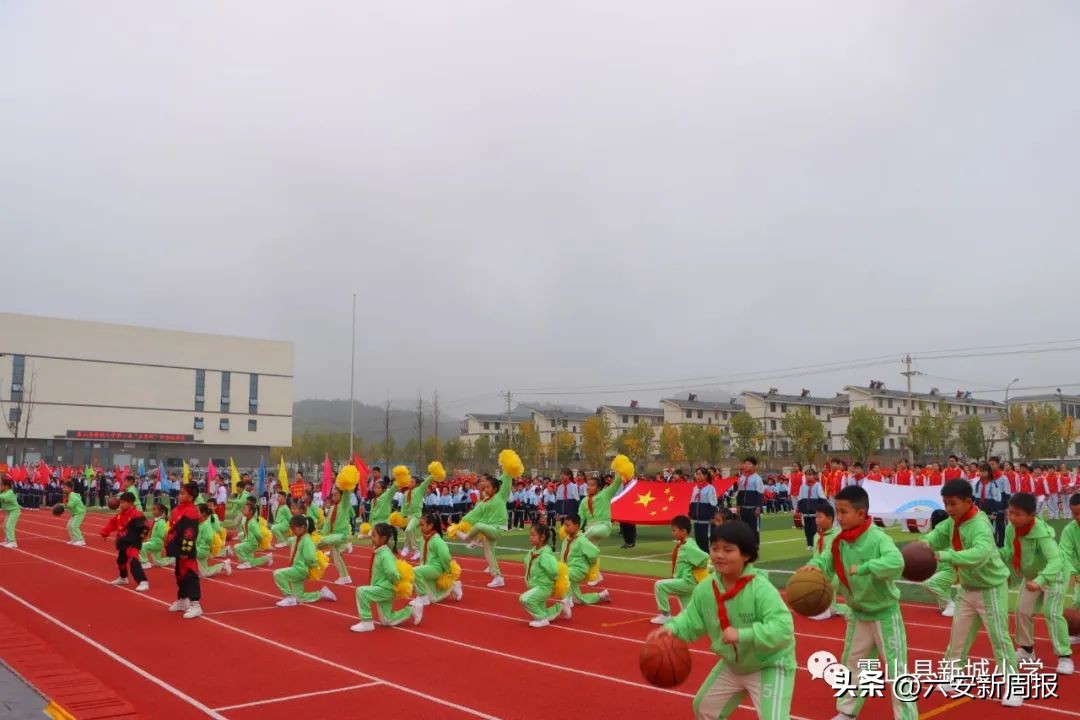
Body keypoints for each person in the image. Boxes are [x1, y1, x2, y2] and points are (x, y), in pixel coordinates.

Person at [650, 521, 795, 720]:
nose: (719, 555)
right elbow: (691, 619)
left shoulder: (761, 589)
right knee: (704, 708)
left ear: (746, 555)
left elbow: (783, 629)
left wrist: (743, 634)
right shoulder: (705, 588)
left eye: (728, 550)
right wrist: (672, 629)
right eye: (715, 548)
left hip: (769, 663)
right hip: (733, 664)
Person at [803, 485, 916, 720]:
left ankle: (906, 716)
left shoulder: (877, 537)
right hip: (858, 613)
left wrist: (866, 567)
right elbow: (825, 560)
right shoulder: (840, 541)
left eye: (844, 512)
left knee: (896, 668)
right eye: (837, 512)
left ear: (861, 514)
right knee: (853, 663)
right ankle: (847, 711)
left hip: (884, 614)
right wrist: (814, 567)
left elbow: (896, 562)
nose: (839, 517)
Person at [921, 478, 1022, 707]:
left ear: (968, 502)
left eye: (953, 503)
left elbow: (980, 554)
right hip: (967, 588)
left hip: (990, 589)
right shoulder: (952, 522)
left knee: (1000, 639)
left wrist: (945, 555)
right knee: (958, 637)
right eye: (945, 503)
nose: (948, 508)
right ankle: (953, 674)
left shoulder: (978, 525)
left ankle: (1014, 686)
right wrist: (923, 545)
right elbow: (934, 537)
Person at [999, 492, 1073, 675]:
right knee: (1022, 611)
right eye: (1010, 512)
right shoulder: (1011, 529)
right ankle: (1027, 650)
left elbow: (1056, 561)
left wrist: (1041, 581)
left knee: (1052, 613)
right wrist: (992, 554)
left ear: (1031, 515)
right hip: (1031, 576)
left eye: (1018, 514)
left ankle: (1064, 656)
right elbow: (1008, 551)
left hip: (1054, 576)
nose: (1012, 517)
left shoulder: (1042, 534)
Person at [351, 522, 422, 632]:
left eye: (374, 536)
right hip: (383, 587)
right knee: (387, 620)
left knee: (361, 592)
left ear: (383, 538)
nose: (372, 538)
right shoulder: (380, 552)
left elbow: (393, 573)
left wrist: (396, 584)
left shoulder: (385, 554)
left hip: (386, 589)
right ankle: (411, 610)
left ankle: (366, 622)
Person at [455, 471, 513, 588]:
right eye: (484, 487)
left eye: (488, 487)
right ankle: (498, 577)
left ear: (495, 489)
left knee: (479, 526)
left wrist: (508, 469)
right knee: (489, 553)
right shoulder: (484, 501)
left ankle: (469, 539)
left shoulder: (501, 496)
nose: (485, 490)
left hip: (497, 528)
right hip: (488, 530)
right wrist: (461, 523)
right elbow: (474, 513)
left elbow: (507, 480)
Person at [651, 515, 710, 625]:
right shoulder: (683, 544)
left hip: (687, 581)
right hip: (684, 581)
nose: (672, 533)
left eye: (674, 530)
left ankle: (665, 615)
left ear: (683, 531)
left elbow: (705, 557)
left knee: (659, 586)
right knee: (688, 612)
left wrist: (699, 569)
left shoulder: (688, 546)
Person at [274, 516, 337, 607]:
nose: (292, 530)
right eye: (291, 528)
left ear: (302, 527)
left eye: (294, 528)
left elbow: (310, 557)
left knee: (278, 574)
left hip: (300, 569)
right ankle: (322, 594)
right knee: (300, 597)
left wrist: (312, 565)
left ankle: (289, 598)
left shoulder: (307, 540)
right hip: (297, 567)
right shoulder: (298, 538)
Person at [578, 471, 627, 585]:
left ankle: (582, 540)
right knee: (590, 553)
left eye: (592, 485)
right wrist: (574, 531)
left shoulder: (605, 494)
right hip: (590, 529)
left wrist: (620, 471)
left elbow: (616, 483)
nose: (588, 487)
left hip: (603, 526)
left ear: (599, 488)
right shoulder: (584, 501)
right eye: (588, 485)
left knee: (585, 537)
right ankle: (596, 576)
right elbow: (580, 518)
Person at [519, 523, 572, 628]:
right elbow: (527, 564)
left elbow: (553, 571)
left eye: (533, 535)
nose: (530, 537)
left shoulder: (545, 555)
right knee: (540, 610)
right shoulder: (533, 552)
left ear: (542, 537)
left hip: (543, 587)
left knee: (525, 599)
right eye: (530, 534)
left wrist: (546, 582)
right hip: (534, 585)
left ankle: (542, 620)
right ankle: (560, 607)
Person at [165, 482, 204, 618]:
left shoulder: (191, 512)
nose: (179, 495)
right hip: (177, 546)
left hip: (186, 550)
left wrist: (185, 551)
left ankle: (195, 604)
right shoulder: (177, 509)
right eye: (180, 492)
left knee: (190, 575)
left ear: (191, 497)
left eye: (183, 493)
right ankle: (183, 599)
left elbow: (190, 533)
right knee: (179, 574)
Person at [100, 492, 150, 592]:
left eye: (123, 503)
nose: (121, 505)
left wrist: (140, 538)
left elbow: (146, 527)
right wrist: (105, 531)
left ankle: (143, 581)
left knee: (133, 561)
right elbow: (112, 522)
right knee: (121, 561)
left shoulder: (136, 514)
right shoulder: (120, 515)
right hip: (123, 542)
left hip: (132, 543)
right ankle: (123, 578)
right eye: (121, 502)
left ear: (130, 503)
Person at [411, 513, 462, 607]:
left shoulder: (437, 541)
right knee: (433, 598)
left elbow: (445, 557)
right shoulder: (423, 539)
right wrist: (422, 567)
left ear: (430, 525)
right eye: (419, 525)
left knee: (414, 571)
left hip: (436, 568)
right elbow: (422, 556)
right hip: (427, 568)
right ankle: (453, 586)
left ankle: (422, 598)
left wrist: (448, 570)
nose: (420, 527)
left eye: (422, 525)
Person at [808, 502, 848, 621]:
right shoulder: (817, 535)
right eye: (816, 517)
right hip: (819, 569)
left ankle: (827, 610)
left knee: (827, 585)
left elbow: (832, 557)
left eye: (820, 517)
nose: (817, 520)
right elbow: (816, 555)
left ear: (830, 518)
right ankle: (834, 608)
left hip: (834, 572)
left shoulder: (837, 535)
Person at [561, 514, 610, 606]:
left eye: (568, 525)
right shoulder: (566, 540)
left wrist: (590, 565)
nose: (565, 528)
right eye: (564, 525)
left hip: (578, 570)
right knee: (577, 600)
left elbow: (594, 552)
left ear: (576, 526)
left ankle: (567, 600)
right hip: (569, 569)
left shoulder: (581, 540)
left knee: (561, 574)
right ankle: (601, 595)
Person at [924, 510, 958, 617]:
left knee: (929, 584)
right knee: (943, 607)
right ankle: (950, 605)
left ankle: (951, 604)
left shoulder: (945, 535)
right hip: (942, 569)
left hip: (951, 570)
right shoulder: (937, 535)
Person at [318, 487, 353, 584]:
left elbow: (347, 494)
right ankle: (345, 576)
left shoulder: (344, 505)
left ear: (342, 496)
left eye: (336, 495)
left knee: (320, 543)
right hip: (334, 536)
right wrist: (322, 534)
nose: (333, 497)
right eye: (332, 495)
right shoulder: (333, 508)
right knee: (335, 554)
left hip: (342, 535)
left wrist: (345, 484)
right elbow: (327, 523)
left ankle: (347, 544)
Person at [401, 471, 435, 560]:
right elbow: (404, 505)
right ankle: (407, 546)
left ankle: (415, 550)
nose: (409, 483)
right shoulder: (406, 493)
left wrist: (433, 474)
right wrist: (402, 515)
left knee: (409, 530)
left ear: (416, 484)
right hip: (408, 516)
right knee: (409, 532)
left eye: (412, 482)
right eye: (409, 481)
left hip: (417, 515)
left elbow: (426, 482)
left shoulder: (419, 490)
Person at [1061, 493, 1080, 644]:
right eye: (1074, 513)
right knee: (1078, 600)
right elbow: (1064, 553)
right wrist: (1072, 572)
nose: (1078, 517)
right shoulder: (1069, 530)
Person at [195, 503, 232, 578]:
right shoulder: (198, 523)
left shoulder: (206, 524)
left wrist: (210, 551)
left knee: (188, 552)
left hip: (203, 549)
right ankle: (224, 565)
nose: (194, 513)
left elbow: (209, 538)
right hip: (199, 548)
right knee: (204, 573)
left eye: (196, 511)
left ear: (203, 513)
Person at [234, 501, 273, 570]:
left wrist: (260, 543)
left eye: (245, 509)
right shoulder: (246, 519)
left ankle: (246, 563)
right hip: (247, 541)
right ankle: (267, 558)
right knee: (251, 562)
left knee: (237, 547)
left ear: (251, 512)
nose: (243, 510)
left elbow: (258, 535)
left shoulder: (253, 523)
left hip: (252, 544)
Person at [734, 457, 764, 544]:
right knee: (743, 529)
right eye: (745, 464)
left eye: (748, 464)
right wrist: (738, 505)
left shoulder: (757, 478)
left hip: (753, 509)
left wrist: (758, 507)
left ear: (754, 466)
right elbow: (739, 493)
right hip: (743, 508)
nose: (746, 466)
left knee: (754, 529)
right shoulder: (742, 478)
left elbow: (760, 494)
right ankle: (746, 546)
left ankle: (755, 545)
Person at [689, 467, 719, 553]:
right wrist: (690, 514)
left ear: (705, 475)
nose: (698, 476)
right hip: (697, 520)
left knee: (706, 541)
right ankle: (702, 559)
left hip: (706, 521)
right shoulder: (695, 488)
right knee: (698, 541)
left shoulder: (710, 488)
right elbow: (692, 502)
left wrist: (713, 517)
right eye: (697, 474)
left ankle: (710, 557)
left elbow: (713, 503)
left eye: (700, 474)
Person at [796, 468, 824, 551]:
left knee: (815, 529)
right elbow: (800, 498)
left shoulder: (817, 485)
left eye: (811, 475)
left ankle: (816, 544)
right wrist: (799, 509)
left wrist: (822, 509)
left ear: (814, 476)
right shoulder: (802, 486)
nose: (809, 477)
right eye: (807, 475)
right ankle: (809, 544)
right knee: (807, 529)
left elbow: (822, 498)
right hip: (806, 513)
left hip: (815, 513)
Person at [139, 503, 174, 568]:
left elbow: (162, 535)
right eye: (152, 510)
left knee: (141, 546)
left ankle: (145, 562)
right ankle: (173, 559)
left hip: (157, 543)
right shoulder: (156, 521)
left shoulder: (161, 522)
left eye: (155, 510)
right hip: (154, 542)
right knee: (158, 562)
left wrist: (166, 544)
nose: (153, 512)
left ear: (161, 511)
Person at [62, 480, 86, 546]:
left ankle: (81, 540)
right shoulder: (68, 495)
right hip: (74, 513)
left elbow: (70, 506)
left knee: (74, 526)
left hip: (79, 512)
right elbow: (68, 505)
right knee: (69, 526)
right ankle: (74, 539)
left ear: (70, 488)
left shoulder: (72, 496)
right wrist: (63, 504)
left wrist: (64, 502)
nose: (63, 489)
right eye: (63, 487)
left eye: (65, 487)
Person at [1, 477, 23, 548]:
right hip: (9, 511)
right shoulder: (3, 492)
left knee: (9, 525)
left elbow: (4, 497)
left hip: (15, 511)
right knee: (4, 526)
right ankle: (7, 540)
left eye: (1, 485)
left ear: (6, 486)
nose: (0, 486)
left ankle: (13, 542)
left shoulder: (10, 492)